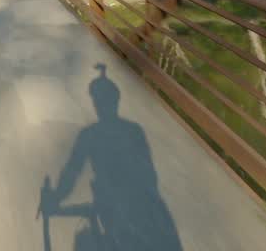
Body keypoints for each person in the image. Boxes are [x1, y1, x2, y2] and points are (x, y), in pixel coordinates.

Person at [38, 64, 182, 250]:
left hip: (114, 209)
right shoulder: (135, 131)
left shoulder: (90, 135)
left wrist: (55, 199)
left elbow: (71, 173)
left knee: (88, 241)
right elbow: (150, 174)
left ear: (96, 103)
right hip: (151, 208)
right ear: (116, 101)